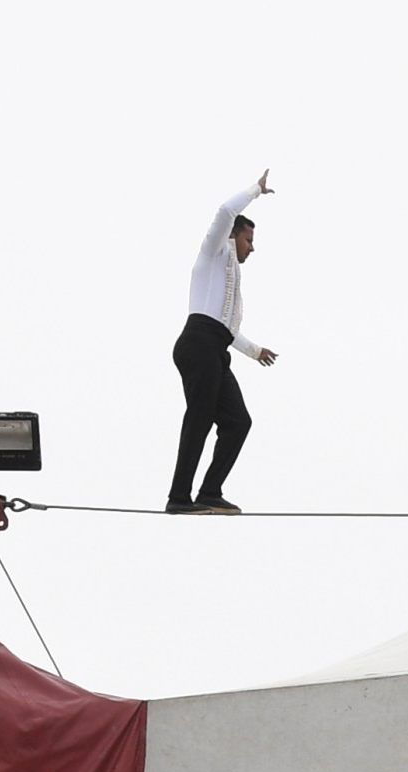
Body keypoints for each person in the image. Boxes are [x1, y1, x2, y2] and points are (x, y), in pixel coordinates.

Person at [170, 171, 280, 515]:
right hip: (197, 342)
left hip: (215, 346)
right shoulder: (214, 252)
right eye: (249, 240)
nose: (252, 247)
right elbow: (224, 212)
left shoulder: (232, 276)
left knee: (238, 422)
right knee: (199, 418)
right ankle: (178, 498)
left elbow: (227, 328)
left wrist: (254, 350)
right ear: (234, 236)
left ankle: (209, 492)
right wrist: (256, 191)